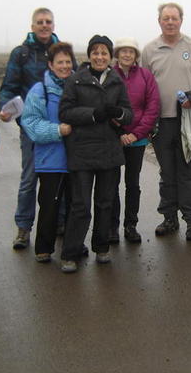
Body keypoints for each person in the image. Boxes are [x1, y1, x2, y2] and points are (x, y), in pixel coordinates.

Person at [141, 2, 191, 241]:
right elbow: (143, 85)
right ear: (159, 21)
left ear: (181, 20)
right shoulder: (150, 50)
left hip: (189, 123)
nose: (170, 22)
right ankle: (169, 218)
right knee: (168, 173)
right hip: (161, 124)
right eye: (166, 18)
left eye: (174, 18)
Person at [58, 35, 133, 273]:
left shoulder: (116, 81)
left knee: (105, 203)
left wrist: (118, 113)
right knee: (80, 205)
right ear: (89, 56)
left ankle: (101, 247)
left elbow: (129, 114)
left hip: (109, 152)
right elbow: (66, 112)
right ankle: (70, 253)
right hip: (82, 152)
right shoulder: (76, 80)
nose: (100, 57)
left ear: (110, 56)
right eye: (95, 53)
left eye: (104, 53)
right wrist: (94, 114)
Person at [0, 8, 62, 251]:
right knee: (29, 178)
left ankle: (59, 223)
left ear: (53, 25)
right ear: (32, 26)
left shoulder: (61, 51)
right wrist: (6, 110)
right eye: (40, 22)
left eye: (48, 22)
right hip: (32, 128)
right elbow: (9, 86)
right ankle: (23, 228)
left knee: (60, 177)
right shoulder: (21, 54)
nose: (44, 25)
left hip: (59, 127)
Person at [20, 42, 74, 263]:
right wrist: (57, 130)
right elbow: (30, 123)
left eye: (68, 61)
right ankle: (44, 248)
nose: (64, 66)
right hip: (50, 159)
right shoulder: (39, 90)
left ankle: (72, 247)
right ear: (51, 65)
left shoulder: (77, 86)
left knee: (73, 206)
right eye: (60, 62)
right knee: (49, 206)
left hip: (74, 160)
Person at [109, 37, 160, 244]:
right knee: (110, 185)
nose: (127, 55)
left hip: (137, 140)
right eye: (123, 51)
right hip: (113, 139)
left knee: (132, 184)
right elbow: (104, 106)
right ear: (117, 54)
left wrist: (135, 134)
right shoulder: (109, 76)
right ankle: (111, 227)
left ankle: (130, 225)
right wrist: (119, 132)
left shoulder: (145, 76)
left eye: (131, 51)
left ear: (136, 55)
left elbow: (152, 107)